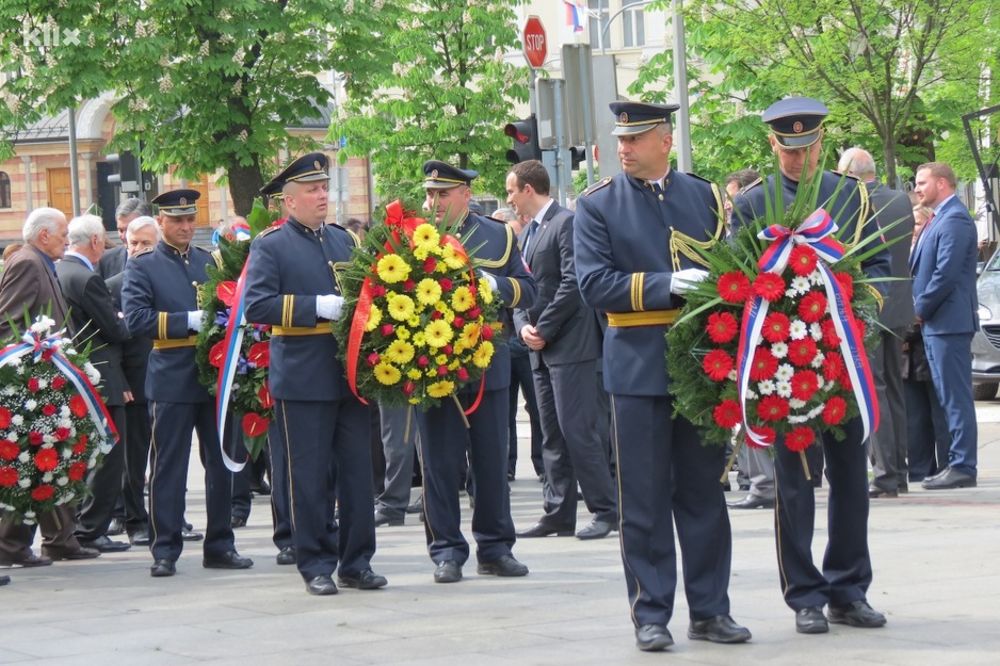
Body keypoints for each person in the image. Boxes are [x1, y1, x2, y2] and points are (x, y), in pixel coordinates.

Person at [574, 101, 750, 651]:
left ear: (665, 140)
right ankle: (650, 613)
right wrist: (664, 286)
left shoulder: (702, 196)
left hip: (700, 366)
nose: (623, 147)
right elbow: (594, 284)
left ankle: (710, 610)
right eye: (620, 138)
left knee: (703, 494)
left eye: (636, 137)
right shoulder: (596, 206)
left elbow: (732, 266)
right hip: (638, 368)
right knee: (644, 500)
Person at [733, 97, 890, 635]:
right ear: (774, 145)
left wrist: (853, 319)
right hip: (783, 361)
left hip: (840, 356)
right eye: (788, 148)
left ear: (821, 142)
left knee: (851, 477)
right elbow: (739, 275)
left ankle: (849, 588)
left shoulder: (850, 198)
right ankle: (804, 595)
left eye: (808, 146)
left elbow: (878, 270)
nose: (799, 158)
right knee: (795, 481)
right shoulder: (753, 204)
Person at [244, 153, 385, 595]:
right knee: (308, 476)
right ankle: (316, 563)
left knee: (359, 474)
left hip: (348, 376)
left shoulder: (344, 241)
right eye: (312, 190)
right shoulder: (270, 245)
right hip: (303, 378)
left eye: (324, 188)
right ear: (289, 202)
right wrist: (314, 308)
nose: (322, 196)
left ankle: (357, 561)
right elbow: (257, 306)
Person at [414, 160, 536, 585]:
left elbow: (527, 288)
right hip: (434, 368)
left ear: (465, 195)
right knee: (440, 464)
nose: (433, 202)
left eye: (442, 194)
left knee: (491, 461)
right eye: (430, 194)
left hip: (488, 362)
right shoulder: (411, 237)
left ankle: (496, 546)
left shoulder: (497, 234)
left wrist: (495, 286)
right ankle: (446, 550)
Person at [123, 189, 253, 578]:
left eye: (189, 219)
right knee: (169, 466)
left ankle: (220, 543)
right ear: (160, 222)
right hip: (171, 375)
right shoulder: (143, 266)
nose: (184, 226)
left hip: (212, 379)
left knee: (220, 464)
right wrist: (188, 321)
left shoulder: (208, 262)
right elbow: (137, 320)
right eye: (176, 220)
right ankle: (164, 549)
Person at [507, 160, 617, 540]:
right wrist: (523, 327)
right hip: (539, 348)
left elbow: (574, 283)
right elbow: (521, 286)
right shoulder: (526, 234)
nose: (508, 199)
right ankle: (557, 513)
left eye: (510, 191)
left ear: (527, 189)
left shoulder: (566, 223)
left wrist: (545, 327)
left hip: (571, 346)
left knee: (579, 432)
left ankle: (606, 509)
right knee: (550, 434)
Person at [0, 208, 100, 567]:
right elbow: (8, 322)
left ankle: (59, 540)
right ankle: (12, 546)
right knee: (29, 464)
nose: (65, 240)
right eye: (61, 234)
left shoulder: (41, 261)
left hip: (49, 380)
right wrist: (35, 358)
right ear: (44, 236)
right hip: (32, 384)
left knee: (50, 462)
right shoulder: (27, 263)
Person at [839, 147, 916, 497]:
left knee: (876, 390)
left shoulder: (850, 203)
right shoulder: (901, 201)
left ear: (849, 173)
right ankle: (899, 471)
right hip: (898, 308)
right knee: (894, 390)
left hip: (869, 308)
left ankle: (884, 475)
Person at [56, 214, 131, 552]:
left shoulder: (59, 270)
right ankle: (92, 528)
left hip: (76, 373)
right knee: (108, 457)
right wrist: (122, 320)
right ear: (97, 241)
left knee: (85, 456)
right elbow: (114, 330)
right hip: (102, 375)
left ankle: (80, 527)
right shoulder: (87, 278)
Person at [911, 162, 979, 490]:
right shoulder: (940, 218)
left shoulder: (954, 220)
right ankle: (956, 462)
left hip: (948, 323)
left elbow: (945, 274)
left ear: (942, 183)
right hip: (938, 324)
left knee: (956, 398)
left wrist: (919, 309)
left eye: (922, 182)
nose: (917, 188)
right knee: (947, 397)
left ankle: (963, 465)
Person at [723, 168, 777, 510]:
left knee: (753, 403)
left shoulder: (747, 223)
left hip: (754, 322)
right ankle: (761, 481)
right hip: (763, 322)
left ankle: (763, 483)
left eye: (732, 202)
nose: (729, 210)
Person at [491, 208, 544, 481]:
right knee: (504, 412)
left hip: (524, 344)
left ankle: (542, 465)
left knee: (536, 408)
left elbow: (528, 291)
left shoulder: (520, 253)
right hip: (503, 342)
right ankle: (506, 467)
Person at [903, 206, 951, 481]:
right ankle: (919, 469)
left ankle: (946, 464)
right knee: (915, 416)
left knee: (939, 411)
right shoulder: (903, 255)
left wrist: (909, 327)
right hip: (908, 349)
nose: (914, 231)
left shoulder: (931, 254)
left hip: (927, 338)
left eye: (918, 224)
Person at [99, 197, 151, 280]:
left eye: (129, 229)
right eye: (120, 230)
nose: (124, 236)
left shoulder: (166, 261)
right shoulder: (106, 260)